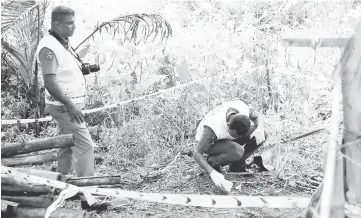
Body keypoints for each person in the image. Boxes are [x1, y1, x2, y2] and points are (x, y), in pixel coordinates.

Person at [36, 6, 96, 178]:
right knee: (85, 146)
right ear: (56, 24)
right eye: (69, 23)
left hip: (67, 105)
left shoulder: (61, 42)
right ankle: (88, 195)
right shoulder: (49, 48)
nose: (74, 27)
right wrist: (70, 105)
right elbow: (50, 83)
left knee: (67, 144)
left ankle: (62, 182)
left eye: (73, 23)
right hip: (64, 107)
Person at [193, 99, 269, 190]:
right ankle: (213, 161)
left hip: (226, 137)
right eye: (236, 135)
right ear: (228, 125)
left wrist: (260, 129)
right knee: (237, 151)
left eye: (240, 136)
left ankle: (237, 164)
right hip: (212, 142)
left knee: (264, 133)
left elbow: (258, 116)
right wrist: (212, 173)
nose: (237, 138)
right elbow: (197, 152)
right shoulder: (212, 127)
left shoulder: (242, 108)